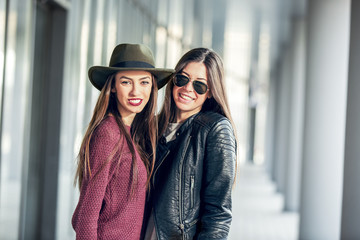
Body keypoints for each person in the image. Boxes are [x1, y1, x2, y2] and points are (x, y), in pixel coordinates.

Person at [72, 43, 174, 239]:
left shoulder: (134, 133)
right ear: (112, 86)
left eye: (144, 82)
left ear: (152, 86)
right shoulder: (107, 133)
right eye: (126, 82)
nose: (136, 91)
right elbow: (85, 218)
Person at [144, 48, 237, 239]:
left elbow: (218, 212)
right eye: (183, 79)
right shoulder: (152, 127)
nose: (188, 89)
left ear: (210, 92)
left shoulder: (215, 129)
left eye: (200, 86)